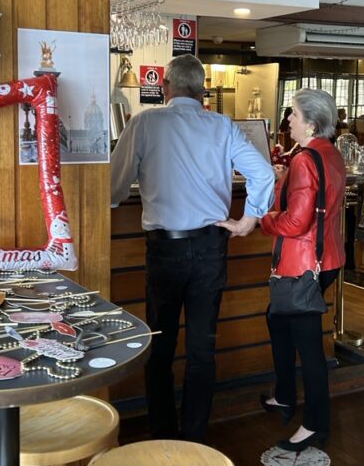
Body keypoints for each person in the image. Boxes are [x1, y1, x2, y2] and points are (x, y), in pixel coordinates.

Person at [110, 54, 274, 442]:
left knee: (160, 346)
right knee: (202, 349)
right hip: (210, 248)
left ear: (166, 87)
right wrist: (248, 219)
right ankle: (196, 437)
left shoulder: (145, 122)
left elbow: (114, 188)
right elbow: (264, 173)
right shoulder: (222, 125)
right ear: (203, 91)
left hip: (165, 249)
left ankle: (163, 435)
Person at [221, 88, 346, 452]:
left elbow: (295, 222)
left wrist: (261, 220)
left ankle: (315, 424)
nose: (288, 119)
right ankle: (285, 396)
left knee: (308, 346)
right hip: (326, 258)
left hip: (301, 264)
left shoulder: (305, 160)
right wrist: (283, 179)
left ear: (311, 123)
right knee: (277, 320)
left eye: (293, 113)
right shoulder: (328, 153)